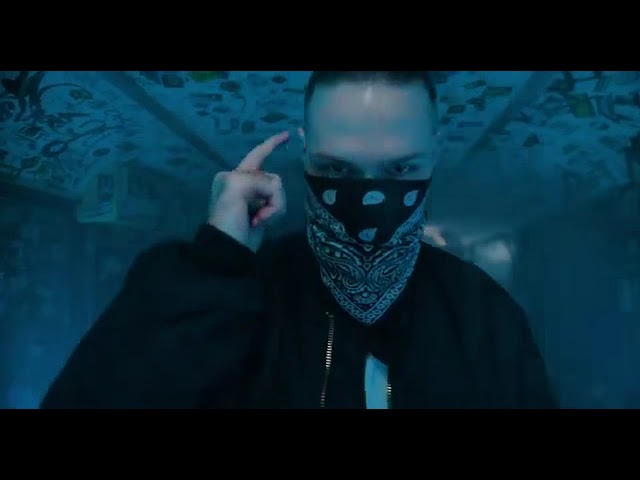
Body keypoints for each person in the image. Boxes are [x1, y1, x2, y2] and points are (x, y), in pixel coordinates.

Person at [41, 71, 557, 409]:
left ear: (435, 153)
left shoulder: (486, 317)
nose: (369, 202)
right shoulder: (235, 295)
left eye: (401, 169)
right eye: (337, 169)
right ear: (305, 154)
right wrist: (217, 261)